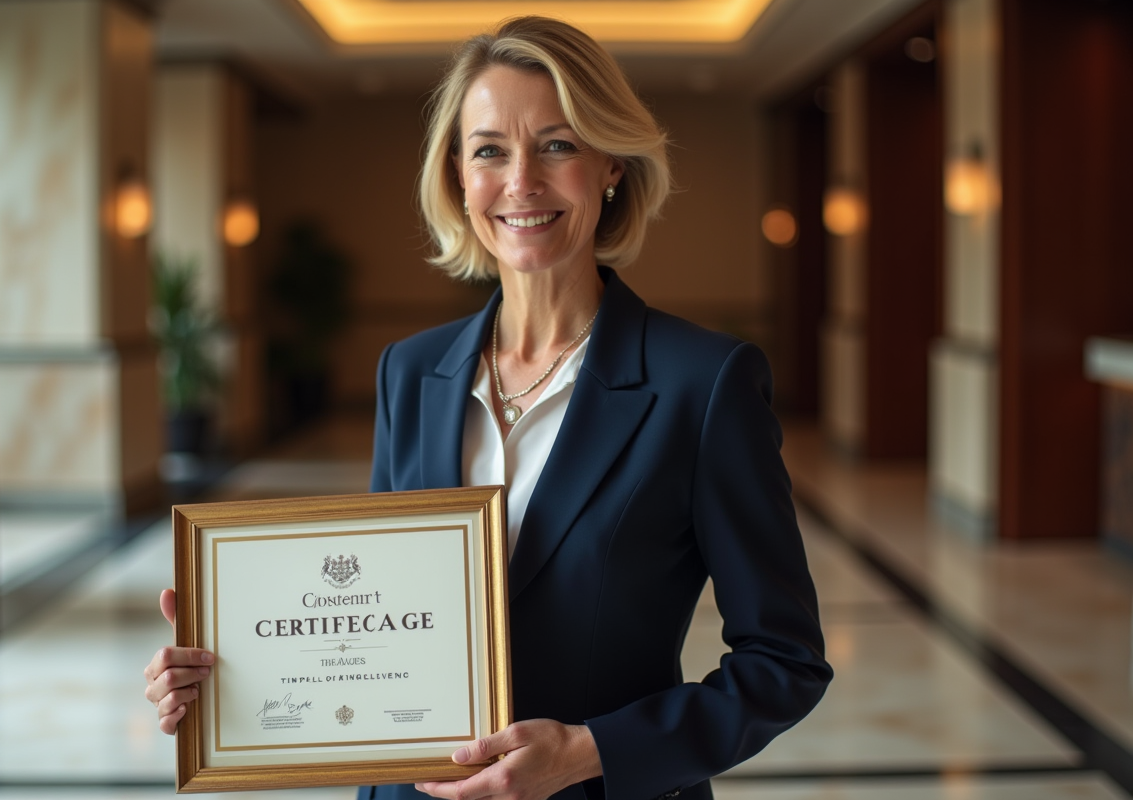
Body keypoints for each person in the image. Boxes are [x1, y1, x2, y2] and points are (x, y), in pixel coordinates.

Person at [145, 16, 832, 800]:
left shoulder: (703, 384)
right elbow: (374, 611)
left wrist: (588, 750)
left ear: (611, 164)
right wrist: (224, 676)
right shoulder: (410, 372)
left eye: (558, 144)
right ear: (458, 178)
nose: (522, 181)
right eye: (489, 151)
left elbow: (785, 663)